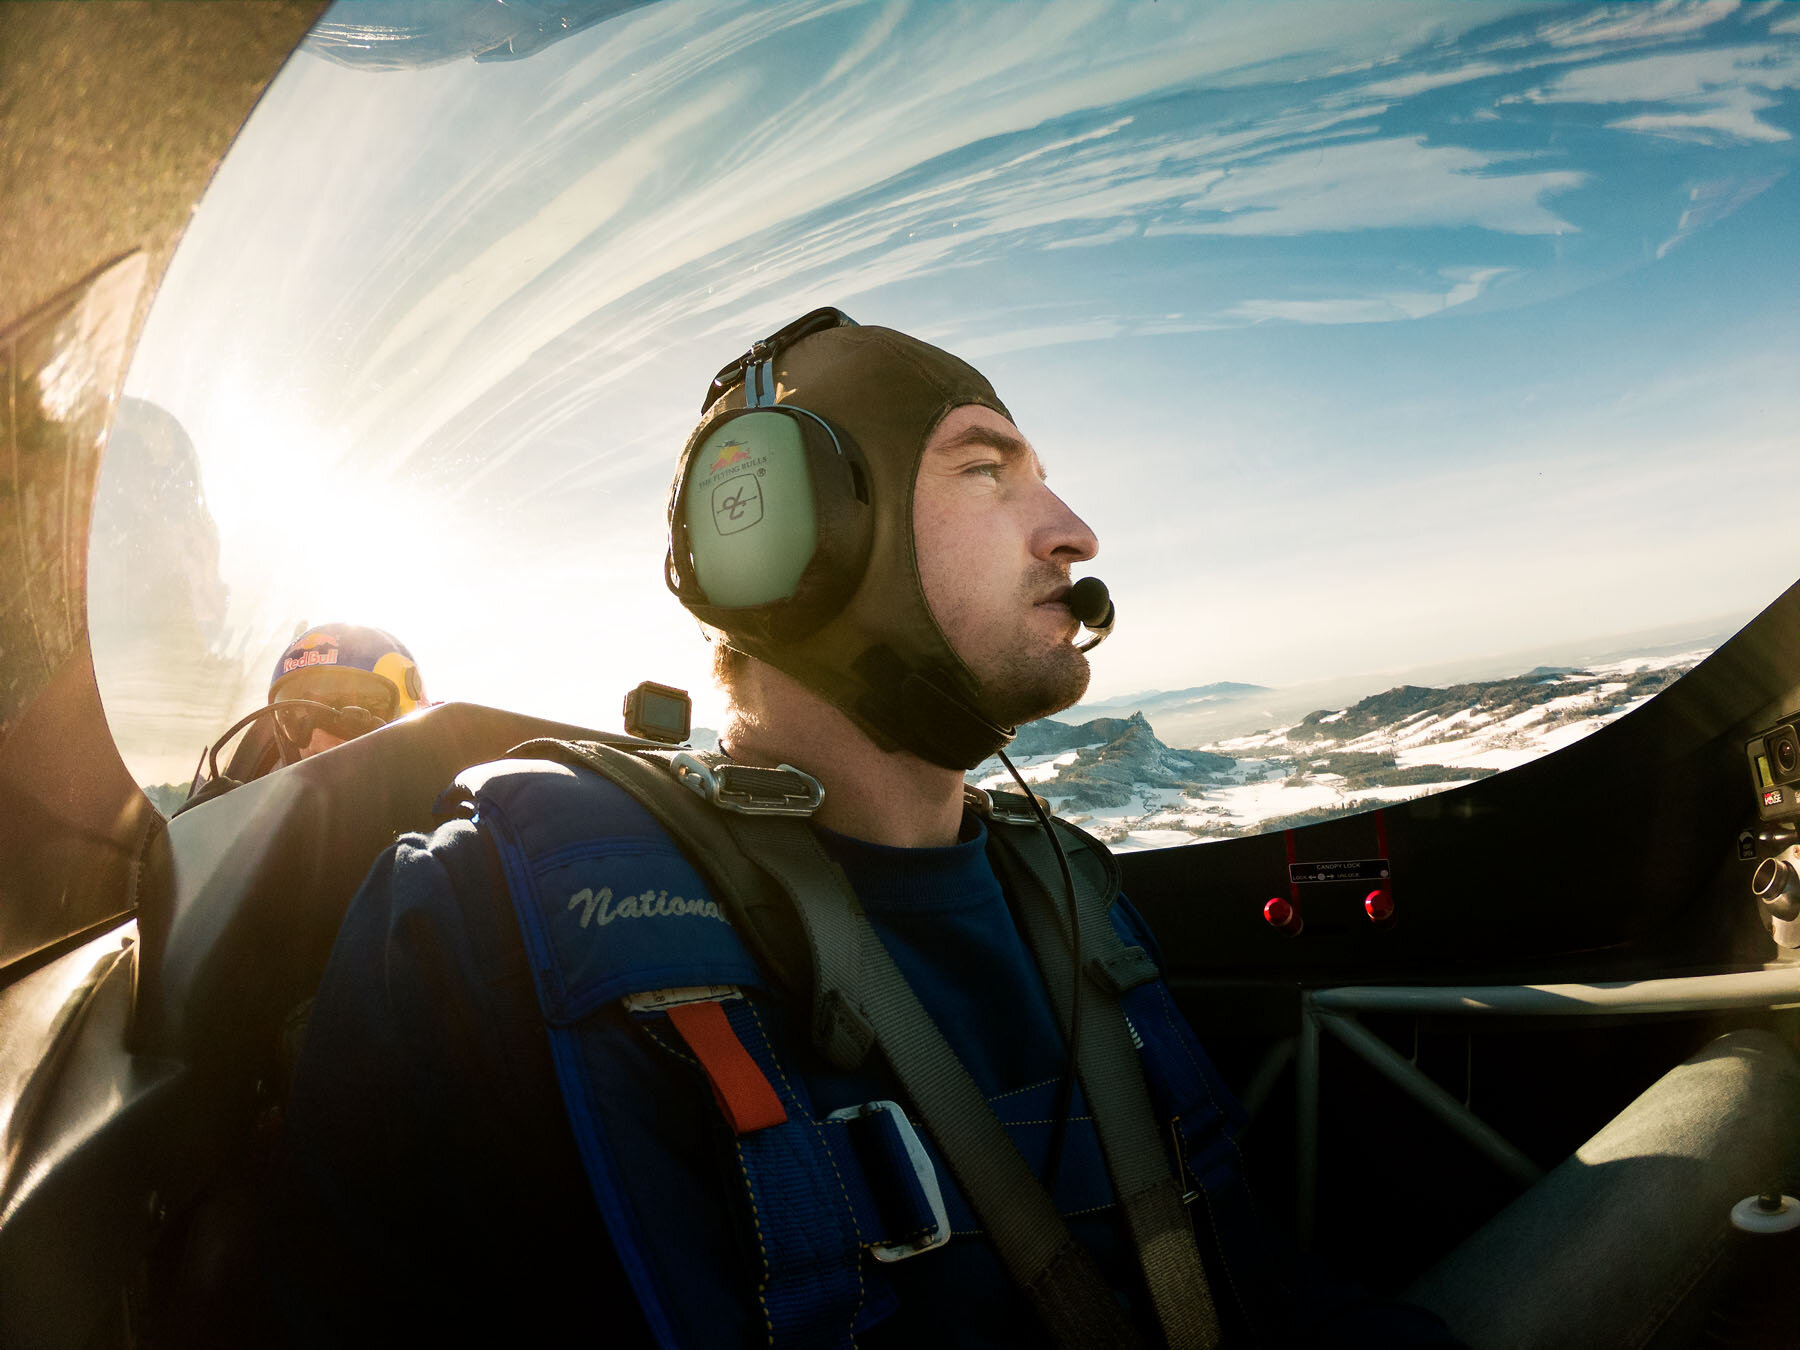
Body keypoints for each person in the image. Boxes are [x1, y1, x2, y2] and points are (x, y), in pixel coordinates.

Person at [265, 312, 1799, 1348]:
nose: (1073, 529)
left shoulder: (1063, 891)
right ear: (787, 531)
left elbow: (1248, 1285)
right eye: (988, 469)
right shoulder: (485, 922)